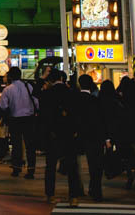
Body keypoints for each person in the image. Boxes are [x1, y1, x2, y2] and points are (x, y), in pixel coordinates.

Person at [40, 70, 83, 206]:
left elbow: (44, 116)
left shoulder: (47, 94)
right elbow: (78, 115)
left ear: (51, 80)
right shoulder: (72, 93)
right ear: (62, 78)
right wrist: (75, 130)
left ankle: (50, 195)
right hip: (69, 134)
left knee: (50, 166)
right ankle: (73, 197)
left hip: (53, 135)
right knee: (72, 167)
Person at [0, 66, 38, 178]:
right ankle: (31, 170)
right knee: (30, 145)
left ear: (10, 76)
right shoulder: (28, 86)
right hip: (29, 119)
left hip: (15, 119)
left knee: (16, 145)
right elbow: (36, 102)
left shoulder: (7, 90)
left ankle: (16, 168)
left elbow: (3, 106)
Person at [77, 75, 106, 201]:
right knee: (96, 165)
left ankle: (77, 190)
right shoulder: (96, 101)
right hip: (95, 136)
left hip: (79, 136)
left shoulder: (75, 100)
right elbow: (102, 120)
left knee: (76, 165)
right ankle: (96, 190)